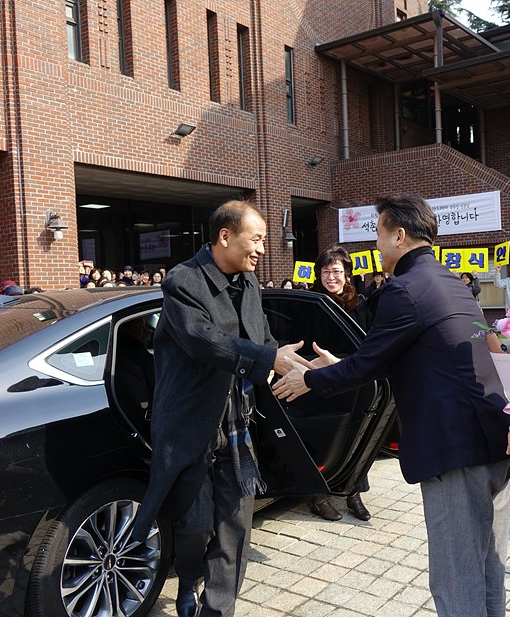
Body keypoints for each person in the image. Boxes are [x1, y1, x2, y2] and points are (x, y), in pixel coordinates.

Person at [274, 194, 510, 617]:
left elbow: (369, 364)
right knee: (486, 565)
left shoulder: (403, 288)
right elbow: (403, 354)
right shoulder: (448, 281)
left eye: (379, 234)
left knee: (456, 575)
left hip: (455, 448)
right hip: (496, 437)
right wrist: (341, 364)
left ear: (399, 235)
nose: (376, 245)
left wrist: (308, 379)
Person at [129, 200, 314, 617]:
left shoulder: (249, 282)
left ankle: (216, 610)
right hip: (191, 428)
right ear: (225, 236)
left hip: (237, 427)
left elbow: (262, 339)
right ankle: (188, 579)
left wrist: (293, 362)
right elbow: (204, 340)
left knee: (235, 529)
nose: (262, 249)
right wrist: (269, 358)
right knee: (194, 526)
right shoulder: (183, 281)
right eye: (257, 239)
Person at [306, 245, 373, 522]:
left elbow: (368, 342)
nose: (331, 277)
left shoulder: (359, 302)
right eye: (325, 272)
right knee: (322, 436)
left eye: (336, 271)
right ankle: (317, 495)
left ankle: (353, 492)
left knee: (356, 435)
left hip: (351, 376)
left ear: (347, 274)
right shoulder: (311, 302)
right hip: (320, 377)